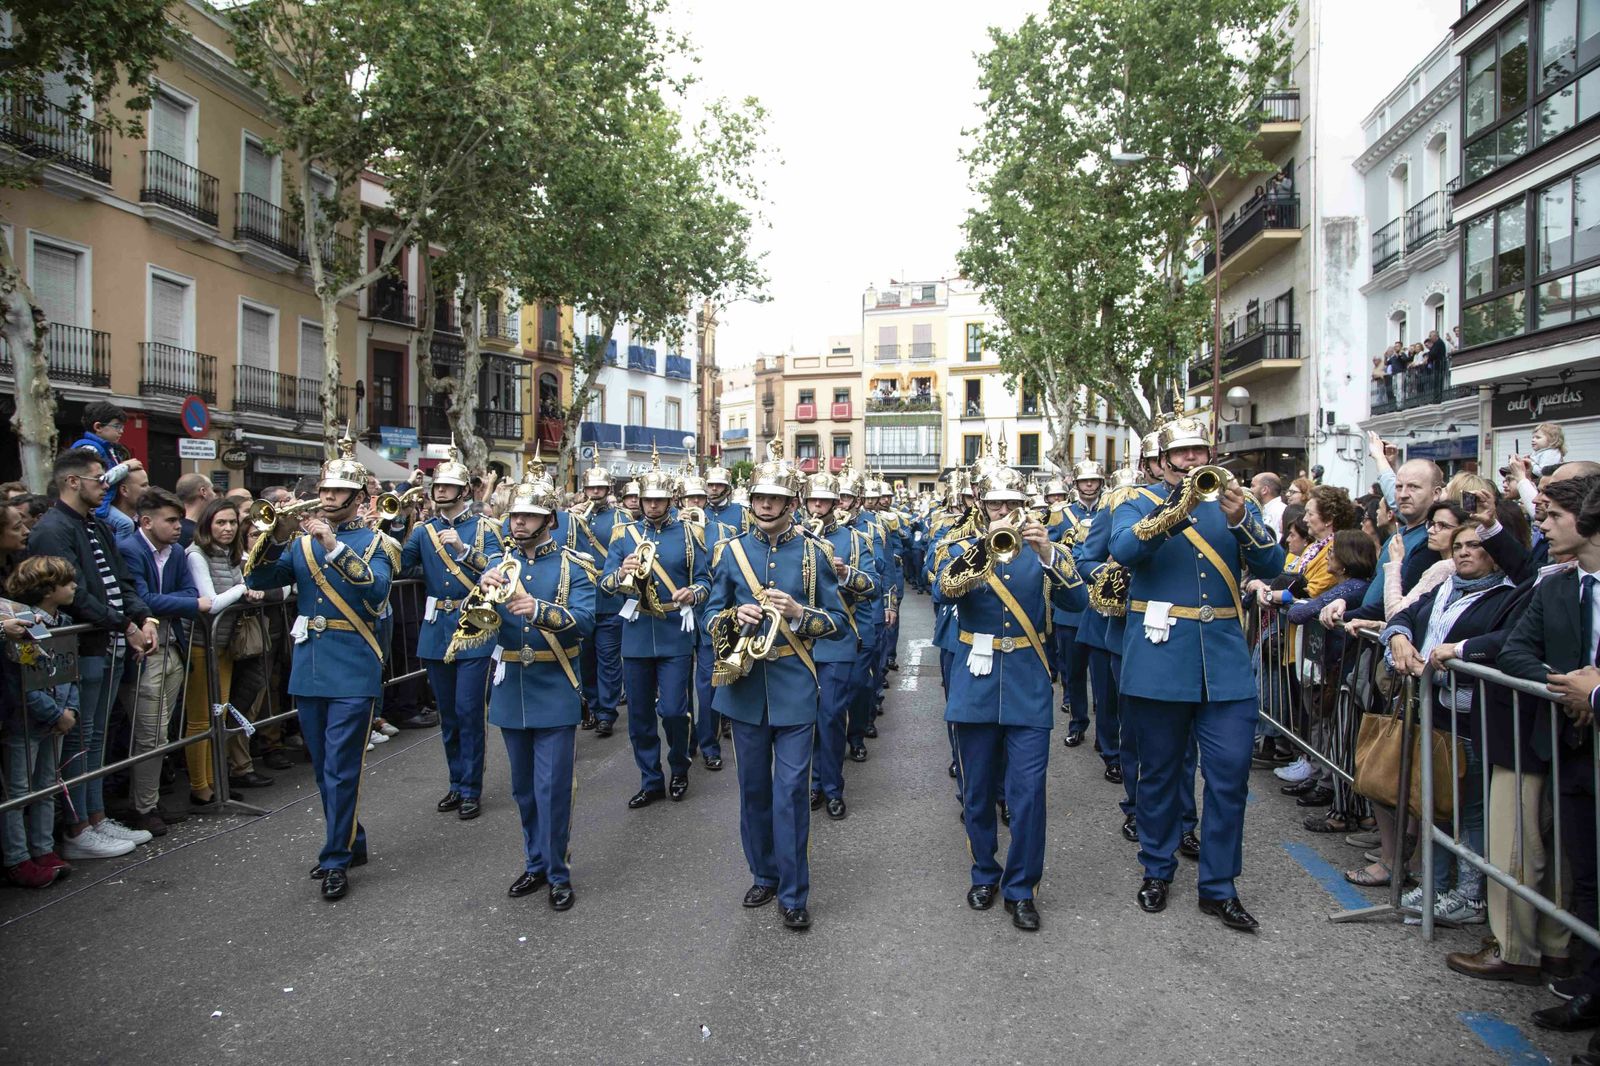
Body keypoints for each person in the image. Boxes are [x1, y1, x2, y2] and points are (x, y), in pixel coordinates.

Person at [1110, 415, 1285, 930]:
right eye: (1181, 454)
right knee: (1161, 775)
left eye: (1199, 452)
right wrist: (1175, 509)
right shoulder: (1136, 503)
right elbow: (1123, 551)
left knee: (1230, 778)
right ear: (1162, 462)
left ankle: (1218, 885)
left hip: (1225, 662)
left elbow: (1272, 564)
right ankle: (1157, 869)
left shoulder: (1239, 503)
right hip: (1161, 661)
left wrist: (1241, 523)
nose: (1192, 461)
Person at [937, 456, 1086, 932]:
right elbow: (943, 590)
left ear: (1024, 505)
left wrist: (1047, 557)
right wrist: (981, 550)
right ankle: (985, 871)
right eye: (995, 502)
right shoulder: (956, 544)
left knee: (1027, 796)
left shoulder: (1046, 547)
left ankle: (1022, 888)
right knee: (977, 792)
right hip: (974, 681)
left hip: (1026, 681)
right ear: (979, 503)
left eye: (1012, 503)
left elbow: (1078, 602)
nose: (1003, 510)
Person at [245, 431, 395, 900]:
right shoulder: (300, 544)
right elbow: (259, 577)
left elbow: (375, 591)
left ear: (357, 498)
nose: (327, 498)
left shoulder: (375, 542)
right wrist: (271, 538)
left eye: (337, 492)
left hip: (353, 667)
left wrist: (332, 544)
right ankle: (353, 839)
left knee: (342, 768)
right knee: (322, 767)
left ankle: (335, 859)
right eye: (324, 490)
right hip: (309, 667)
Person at [704, 444, 847, 930]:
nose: (765, 505)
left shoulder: (814, 554)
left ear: (791, 504)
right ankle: (763, 873)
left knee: (789, 793)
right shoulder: (730, 553)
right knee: (754, 791)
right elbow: (709, 615)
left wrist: (799, 615)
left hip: (793, 688)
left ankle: (793, 892)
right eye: (760, 498)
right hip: (744, 687)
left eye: (775, 499)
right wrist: (729, 616)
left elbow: (838, 623)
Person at [1494, 475, 1600, 1018]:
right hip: (1574, 747)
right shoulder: (1556, 584)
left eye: (1554, 515)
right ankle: (1588, 987)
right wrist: (1569, 688)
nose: (1543, 524)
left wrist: (1597, 690)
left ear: (1587, 520)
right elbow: (1516, 652)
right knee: (1585, 872)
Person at [26, 449, 156, 860]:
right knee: (80, 739)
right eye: (99, 478)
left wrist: (143, 617)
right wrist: (125, 624)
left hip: (110, 643)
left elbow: (121, 578)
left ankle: (96, 817)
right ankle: (78, 826)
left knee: (95, 736)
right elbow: (75, 593)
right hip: (82, 647)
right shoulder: (52, 530)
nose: (105, 485)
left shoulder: (95, 524)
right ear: (72, 481)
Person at [479, 464, 595, 911]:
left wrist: (540, 610)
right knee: (523, 789)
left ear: (549, 521)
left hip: (554, 683)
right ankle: (535, 862)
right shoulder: (496, 566)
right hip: (512, 686)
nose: (519, 523)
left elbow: (584, 621)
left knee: (553, 787)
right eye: (514, 516)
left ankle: (558, 870)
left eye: (528, 516)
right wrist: (480, 594)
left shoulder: (574, 566)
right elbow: (474, 627)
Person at [598, 451, 709, 808]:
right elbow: (605, 583)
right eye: (647, 500)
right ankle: (651, 778)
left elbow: (707, 580)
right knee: (641, 715)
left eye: (659, 500)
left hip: (675, 629)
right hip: (636, 631)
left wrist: (693, 592)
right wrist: (620, 573)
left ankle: (679, 765)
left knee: (675, 710)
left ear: (671, 500)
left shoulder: (691, 534)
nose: (652, 506)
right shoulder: (624, 534)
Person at [400, 445, 501, 821]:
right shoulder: (424, 530)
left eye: (448, 487)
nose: (440, 491)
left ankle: (472, 787)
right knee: (448, 713)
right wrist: (397, 524)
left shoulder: (485, 527)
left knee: (468, 709)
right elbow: (403, 564)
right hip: (435, 629)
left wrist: (462, 551)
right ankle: (456, 781)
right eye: (437, 486)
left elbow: (498, 569)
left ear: (464, 491)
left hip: (474, 625)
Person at [116, 488, 211, 837]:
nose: (178, 526)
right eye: (170, 520)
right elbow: (142, 599)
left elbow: (190, 593)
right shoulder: (129, 550)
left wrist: (174, 603)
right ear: (146, 521)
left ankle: (149, 801)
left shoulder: (176, 553)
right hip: (145, 652)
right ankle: (142, 806)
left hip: (172, 647)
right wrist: (182, 604)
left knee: (160, 731)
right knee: (149, 734)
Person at [802, 469, 878, 820]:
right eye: (813, 500)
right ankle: (809, 783)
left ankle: (830, 786)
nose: (818, 506)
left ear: (836, 504)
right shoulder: (792, 538)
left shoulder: (854, 539)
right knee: (802, 719)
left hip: (836, 637)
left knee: (831, 715)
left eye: (825, 501)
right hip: (795, 639)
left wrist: (845, 573)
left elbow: (873, 585)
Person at [1, 556, 81, 887]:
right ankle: (17, 858)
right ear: (48, 590)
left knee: (48, 785)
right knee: (19, 791)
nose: (75, 586)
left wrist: (71, 709)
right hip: (27, 719)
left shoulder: (63, 620)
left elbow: (68, 669)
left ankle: (44, 848)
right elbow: (22, 681)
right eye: (67, 582)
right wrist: (54, 712)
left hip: (58, 713)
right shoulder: (18, 621)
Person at [681, 469, 736, 768]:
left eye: (700, 497)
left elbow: (728, 574)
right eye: (689, 497)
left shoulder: (723, 531)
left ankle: (709, 744)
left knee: (707, 685)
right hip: (675, 620)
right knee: (679, 690)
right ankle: (686, 742)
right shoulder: (670, 532)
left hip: (709, 616)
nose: (695, 502)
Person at [571, 466, 627, 738]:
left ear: (608, 490)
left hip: (610, 599)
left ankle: (606, 712)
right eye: (591, 488)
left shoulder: (621, 517)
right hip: (582, 599)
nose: (595, 493)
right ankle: (592, 705)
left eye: (600, 488)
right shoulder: (575, 517)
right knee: (585, 659)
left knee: (608, 659)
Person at [1057, 462, 1102, 751]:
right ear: (1076, 483)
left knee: (1103, 677)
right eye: (1084, 481)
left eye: (1093, 481)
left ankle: (1107, 735)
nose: (1088, 486)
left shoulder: (1112, 508)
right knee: (1073, 673)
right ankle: (1077, 723)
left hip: (1101, 600)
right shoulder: (1060, 514)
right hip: (1071, 605)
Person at [68, 401, 128, 523]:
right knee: (125, 524)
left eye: (122, 427)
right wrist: (125, 467)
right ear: (98, 427)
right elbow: (96, 480)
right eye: (117, 426)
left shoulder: (110, 448)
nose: (121, 431)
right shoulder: (89, 449)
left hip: (104, 503)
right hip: (95, 507)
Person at [175, 473, 215, 548]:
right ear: (203, 492)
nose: (214, 494)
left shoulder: (174, 528)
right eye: (212, 489)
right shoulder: (200, 533)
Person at [704, 464, 747, 531]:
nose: (714, 488)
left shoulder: (742, 512)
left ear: (728, 489)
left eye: (719, 485)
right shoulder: (700, 512)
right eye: (710, 485)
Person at [1252, 473, 1285, 538]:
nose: (1250, 490)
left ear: (1264, 490)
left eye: (1253, 486)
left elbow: (1277, 543)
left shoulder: (1280, 511)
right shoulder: (1262, 509)